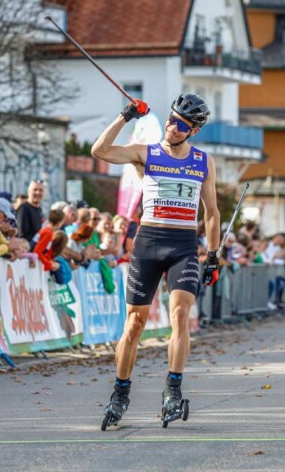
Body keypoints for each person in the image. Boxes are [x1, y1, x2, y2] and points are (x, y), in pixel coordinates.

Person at [92, 93, 220, 429]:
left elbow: (212, 212)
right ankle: (120, 393)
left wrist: (215, 255)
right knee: (134, 324)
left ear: (193, 131)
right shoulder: (146, 153)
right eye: (170, 119)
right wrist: (126, 115)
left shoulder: (204, 162)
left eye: (180, 124)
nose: (171, 127)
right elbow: (100, 151)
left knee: (180, 315)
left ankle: (172, 391)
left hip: (183, 245)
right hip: (148, 243)